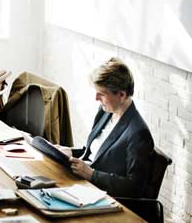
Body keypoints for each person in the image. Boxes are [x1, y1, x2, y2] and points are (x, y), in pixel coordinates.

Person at [57, 58, 155, 198]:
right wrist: (70, 152)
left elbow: (134, 188)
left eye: (101, 94)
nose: (96, 98)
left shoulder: (138, 133)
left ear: (121, 95)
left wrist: (92, 174)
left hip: (106, 198)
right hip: (86, 186)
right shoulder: (105, 111)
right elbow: (94, 153)